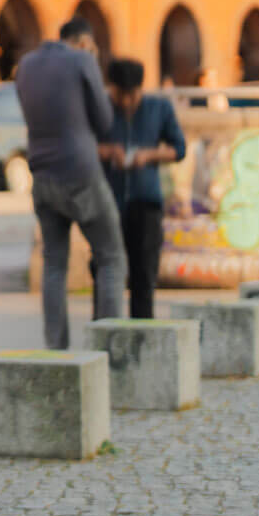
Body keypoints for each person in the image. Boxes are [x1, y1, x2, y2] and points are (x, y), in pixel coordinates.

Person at [13, 16, 127, 348]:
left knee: (53, 263)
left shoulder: (26, 65)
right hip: (80, 172)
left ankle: (56, 350)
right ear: (83, 42)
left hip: (42, 174)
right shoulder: (81, 60)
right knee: (110, 255)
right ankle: (108, 348)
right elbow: (104, 120)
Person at [102, 58, 187, 320]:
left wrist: (148, 156)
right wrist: (107, 152)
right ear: (111, 88)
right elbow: (81, 145)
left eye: (132, 95)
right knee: (105, 273)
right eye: (120, 95)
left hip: (146, 202)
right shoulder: (102, 109)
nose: (126, 102)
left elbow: (179, 149)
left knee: (144, 276)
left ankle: (142, 337)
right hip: (108, 200)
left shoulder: (158, 109)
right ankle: (106, 335)